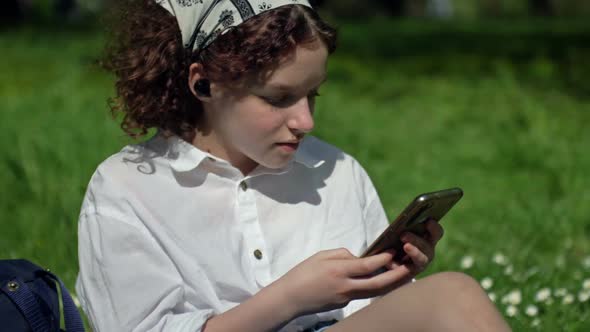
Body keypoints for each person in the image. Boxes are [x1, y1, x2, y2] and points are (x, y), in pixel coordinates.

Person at [75, 0, 512, 331]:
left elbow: (369, 317)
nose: (306, 121)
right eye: (278, 98)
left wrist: (387, 279)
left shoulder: (334, 169)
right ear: (203, 83)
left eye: (313, 94)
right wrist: (290, 298)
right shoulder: (126, 188)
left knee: (454, 295)